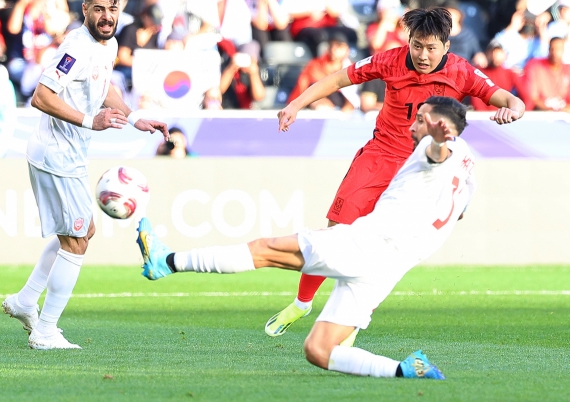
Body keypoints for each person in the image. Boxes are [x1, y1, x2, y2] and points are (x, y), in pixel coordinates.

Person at [138, 96, 476, 380]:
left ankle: (165, 262)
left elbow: (436, 154)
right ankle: (405, 370)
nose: (411, 126)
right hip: (389, 268)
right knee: (318, 349)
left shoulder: (432, 150)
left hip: (368, 245)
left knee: (265, 250)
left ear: (436, 124)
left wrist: (436, 141)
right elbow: (456, 209)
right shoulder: (467, 162)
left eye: (419, 120)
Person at [264, 6, 526, 337]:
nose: (423, 55)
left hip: (423, 169)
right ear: (409, 41)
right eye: (417, 45)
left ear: (446, 45)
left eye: (431, 47)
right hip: (380, 155)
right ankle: (302, 304)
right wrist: (295, 104)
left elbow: (512, 100)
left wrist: (511, 111)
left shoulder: (462, 72)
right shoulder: (390, 60)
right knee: (335, 233)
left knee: (383, 250)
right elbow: (338, 78)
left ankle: (350, 325)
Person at [1, 0, 169, 350]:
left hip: (68, 155)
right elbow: (41, 97)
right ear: (85, 10)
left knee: (82, 231)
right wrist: (89, 121)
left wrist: (135, 115)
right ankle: (45, 331)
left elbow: (105, 86)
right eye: (98, 9)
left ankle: (26, 301)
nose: (106, 17)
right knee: (76, 240)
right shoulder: (76, 47)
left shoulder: (106, 45)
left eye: (112, 9)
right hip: (55, 154)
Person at [287, 31, 354, 110]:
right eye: (331, 45)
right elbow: (302, 86)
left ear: (347, 50)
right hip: (318, 106)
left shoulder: (351, 68)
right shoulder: (315, 65)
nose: (334, 49)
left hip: (342, 110)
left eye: (338, 46)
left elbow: (353, 97)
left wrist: (347, 110)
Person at [469, 39, 531, 111]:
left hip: (504, 117)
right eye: (492, 52)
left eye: (498, 52)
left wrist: (519, 114)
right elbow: (476, 102)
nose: (494, 55)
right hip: (483, 117)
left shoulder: (510, 73)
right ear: (486, 53)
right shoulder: (478, 72)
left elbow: (527, 97)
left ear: (504, 54)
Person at [524, 36, 570, 112]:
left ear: (563, 50)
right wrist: (551, 110)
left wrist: (564, 109)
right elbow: (533, 97)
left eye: (559, 49)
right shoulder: (536, 66)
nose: (555, 52)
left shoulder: (568, 69)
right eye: (552, 48)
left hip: (564, 114)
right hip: (541, 112)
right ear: (548, 50)